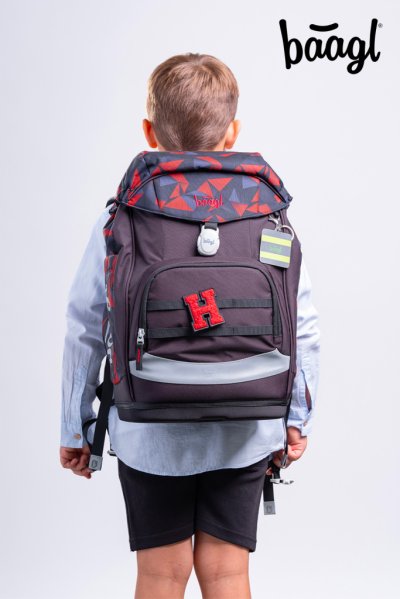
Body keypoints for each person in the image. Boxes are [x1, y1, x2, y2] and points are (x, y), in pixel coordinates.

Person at [59, 53, 321, 599]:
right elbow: (303, 325)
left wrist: (75, 427)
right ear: (233, 133)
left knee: (160, 574)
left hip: (148, 424)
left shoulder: (124, 215)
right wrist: (296, 417)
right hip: (247, 422)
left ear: (149, 132)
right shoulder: (269, 215)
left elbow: (86, 324)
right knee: (228, 573)